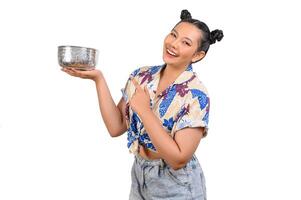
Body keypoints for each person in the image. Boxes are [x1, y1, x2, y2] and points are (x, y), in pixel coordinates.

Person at [61, 9, 223, 200]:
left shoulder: (196, 94)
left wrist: (145, 110)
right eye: (173, 35)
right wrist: (98, 79)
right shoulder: (142, 76)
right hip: (140, 173)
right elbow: (116, 127)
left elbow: (178, 159)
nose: (173, 44)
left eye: (185, 43)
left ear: (197, 55)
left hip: (177, 183)